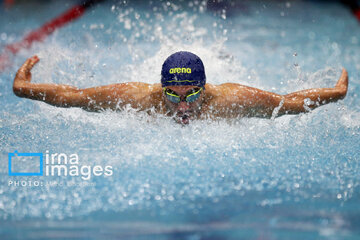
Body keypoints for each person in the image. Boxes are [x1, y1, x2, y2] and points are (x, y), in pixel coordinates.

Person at [13, 51, 348, 124]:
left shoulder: (231, 99)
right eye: (172, 95)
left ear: (206, 87)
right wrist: (23, 88)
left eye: (192, 95)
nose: (183, 107)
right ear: (161, 89)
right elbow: (74, 97)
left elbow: (288, 103)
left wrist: (336, 94)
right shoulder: (140, 99)